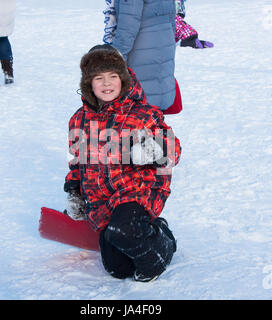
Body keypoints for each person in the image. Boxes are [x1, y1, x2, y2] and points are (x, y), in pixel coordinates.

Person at [64, 45, 181, 282]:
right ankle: (142, 231)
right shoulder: (79, 119)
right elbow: (77, 160)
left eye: (113, 76)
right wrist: (75, 190)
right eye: (99, 78)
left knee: (125, 233)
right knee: (117, 268)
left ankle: (162, 243)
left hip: (138, 188)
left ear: (123, 79)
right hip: (102, 197)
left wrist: (149, 150)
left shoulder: (142, 113)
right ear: (89, 84)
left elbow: (174, 150)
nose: (107, 84)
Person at [102, 0, 176, 112]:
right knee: (156, 108)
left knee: (141, 108)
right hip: (163, 42)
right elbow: (172, 17)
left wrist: (116, 57)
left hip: (141, 46)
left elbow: (128, 24)